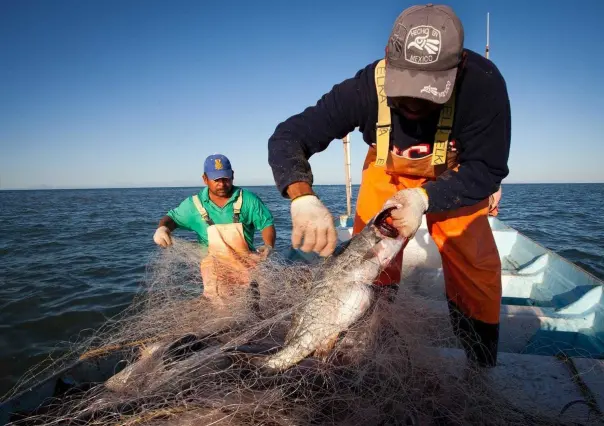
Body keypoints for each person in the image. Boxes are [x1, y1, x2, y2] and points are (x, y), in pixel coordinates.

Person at [267, 4, 511, 368]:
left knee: (475, 266)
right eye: (406, 87)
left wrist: (423, 198)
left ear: (458, 69)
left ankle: (479, 369)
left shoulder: (483, 85)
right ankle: (363, 345)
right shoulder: (363, 88)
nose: (413, 103)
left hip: (454, 179)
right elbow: (289, 137)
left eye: (429, 92)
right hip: (389, 172)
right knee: (369, 263)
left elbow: (487, 167)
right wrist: (302, 197)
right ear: (387, 56)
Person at [153, 153, 276, 302]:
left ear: (233, 176)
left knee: (258, 299)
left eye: (226, 178)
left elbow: (266, 224)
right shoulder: (194, 205)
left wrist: (268, 245)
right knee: (220, 304)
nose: (222, 184)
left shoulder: (248, 199)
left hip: (247, 263)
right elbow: (171, 218)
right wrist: (163, 228)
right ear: (205, 179)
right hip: (214, 268)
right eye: (216, 179)